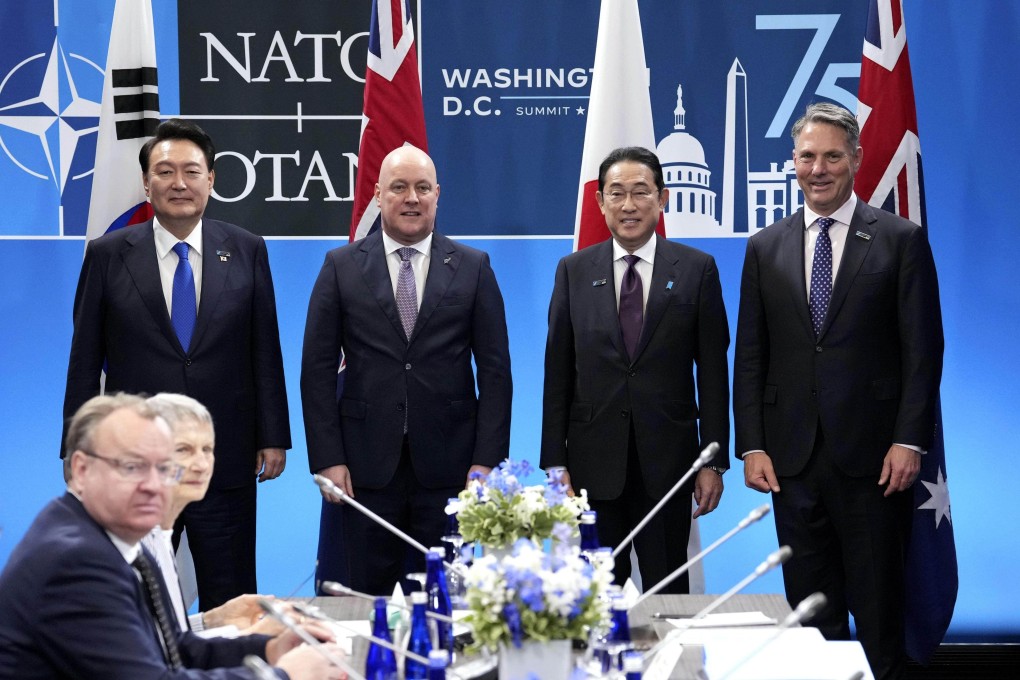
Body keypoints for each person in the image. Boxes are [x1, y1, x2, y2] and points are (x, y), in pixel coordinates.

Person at [733, 102, 943, 679]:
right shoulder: (763, 247)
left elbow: (923, 352)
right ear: (792, 163)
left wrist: (909, 440)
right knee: (810, 608)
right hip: (790, 460)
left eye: (831, 156)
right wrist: (751, 444)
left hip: (875, 460)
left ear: (855, 159)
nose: (818, 168)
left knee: (878, 610)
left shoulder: (899, 240)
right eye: (807, 156)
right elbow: (750, 354)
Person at [61, 118, 291, 610]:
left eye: (191, 171)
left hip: (223, 459)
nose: (179, 183)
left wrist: (273, 436)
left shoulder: (247, 249)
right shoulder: (108, 255)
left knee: (229, 599)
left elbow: (264, 351)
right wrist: (74, 445)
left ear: (212, 179)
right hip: (135, 465)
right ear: (146, 183)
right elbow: (84, 359)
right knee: (137, 599)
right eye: (165, 172)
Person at [0, 394, 344, 679]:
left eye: (163, 467)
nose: (154, 485)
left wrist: (266, 649)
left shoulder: (112, 534)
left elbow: (173, 648)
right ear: (80, 469)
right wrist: (281, 675)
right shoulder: (74, 559)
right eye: (132, 467)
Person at [301, 145, 513, 595]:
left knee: (444, 600)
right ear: (378, 195)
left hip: (451, 468)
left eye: (422, 188)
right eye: (399, 187)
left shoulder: (473, 267)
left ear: (438, 195)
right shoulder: (340, 267)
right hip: (362, 468)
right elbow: (316, 371)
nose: (411, 198)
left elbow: (495, 372)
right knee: (365, 600)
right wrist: (327, 459)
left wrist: (486, 461)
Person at [540, 146, 730, 593]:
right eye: (617, 193)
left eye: (641, 192)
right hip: (591, 467)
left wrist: (713, 463)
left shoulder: (696, 270)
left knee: (668, 597)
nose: (629, 205)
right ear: (600, 202)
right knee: (593, 602)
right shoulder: (572, 271)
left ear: (662, 198)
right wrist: (554, 462)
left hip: (669, 466)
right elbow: (557, 373)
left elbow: (715, 374)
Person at [142, 393, 287, 635]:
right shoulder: (115, 550)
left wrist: (212, 622)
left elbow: (167, 641)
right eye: (184, 451)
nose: (201, 465)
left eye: (207, 450)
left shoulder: (160, 537)